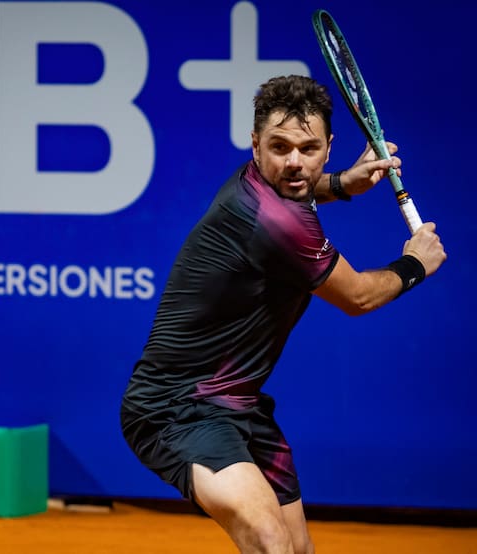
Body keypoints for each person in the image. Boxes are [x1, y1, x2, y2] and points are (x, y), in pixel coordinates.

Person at [119, 75, 447, 554]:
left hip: (241, 404)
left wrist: (342, 185)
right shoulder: (273, 220)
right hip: (175, 409)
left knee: (297, 548)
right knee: (269, 540)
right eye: (279, 147)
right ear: (256, 144)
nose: (294, 161)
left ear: (329, 148)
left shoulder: (264, 186)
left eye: (308, 149)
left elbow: (300, 187)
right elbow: (357, 297)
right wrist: (415, 264)